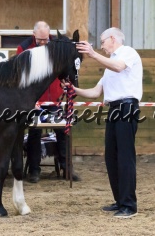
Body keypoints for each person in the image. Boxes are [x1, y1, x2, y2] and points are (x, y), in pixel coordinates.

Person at [63, 27, 142, 218]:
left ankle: (129, 205)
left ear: (112, 38)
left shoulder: (127, 53)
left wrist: (92, 54)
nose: (101, 45)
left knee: (125, 156)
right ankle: (120, 200)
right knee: (111, 157)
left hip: (127, 107)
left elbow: (119, 67)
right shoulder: (109, 66)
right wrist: (73, 89)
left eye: (103, 41)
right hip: (114, 109)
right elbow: (96, 93)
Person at [17, 21, 80, 183]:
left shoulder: (57, 46)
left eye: (46, 39)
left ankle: (67, 167)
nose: (43, 43)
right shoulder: (24, 48)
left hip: (55, 99)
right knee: (34, 133)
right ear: (34, 35)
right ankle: (34, 170)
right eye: (40, 40)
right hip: (35, 100)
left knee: (62, 132)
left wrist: (66, 83)